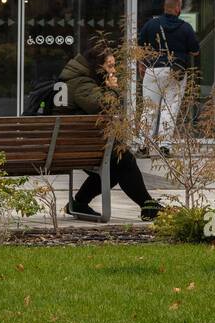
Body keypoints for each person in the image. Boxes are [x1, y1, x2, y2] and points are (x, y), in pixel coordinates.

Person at [59, 37, 162, 221]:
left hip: (74, 143)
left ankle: (80, 203)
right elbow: (102, 106)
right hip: (74, 147)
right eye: (110, 66)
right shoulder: (81, 84)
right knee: (123, 159)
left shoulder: (81, 79)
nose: (113, 70)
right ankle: (148, 206)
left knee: (116, 165)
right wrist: (113, 90)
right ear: (97, 65)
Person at [137, 0, 200, 153]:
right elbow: (195, 51)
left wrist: (141, 65)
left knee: (149, 109)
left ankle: (143, 146)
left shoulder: (151, 24)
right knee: (169, 109)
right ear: (178, 8)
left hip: (153, 70)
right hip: (175, 73)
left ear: (165, 7)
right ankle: (165, 146)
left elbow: (139, 47)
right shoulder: (185, 27)